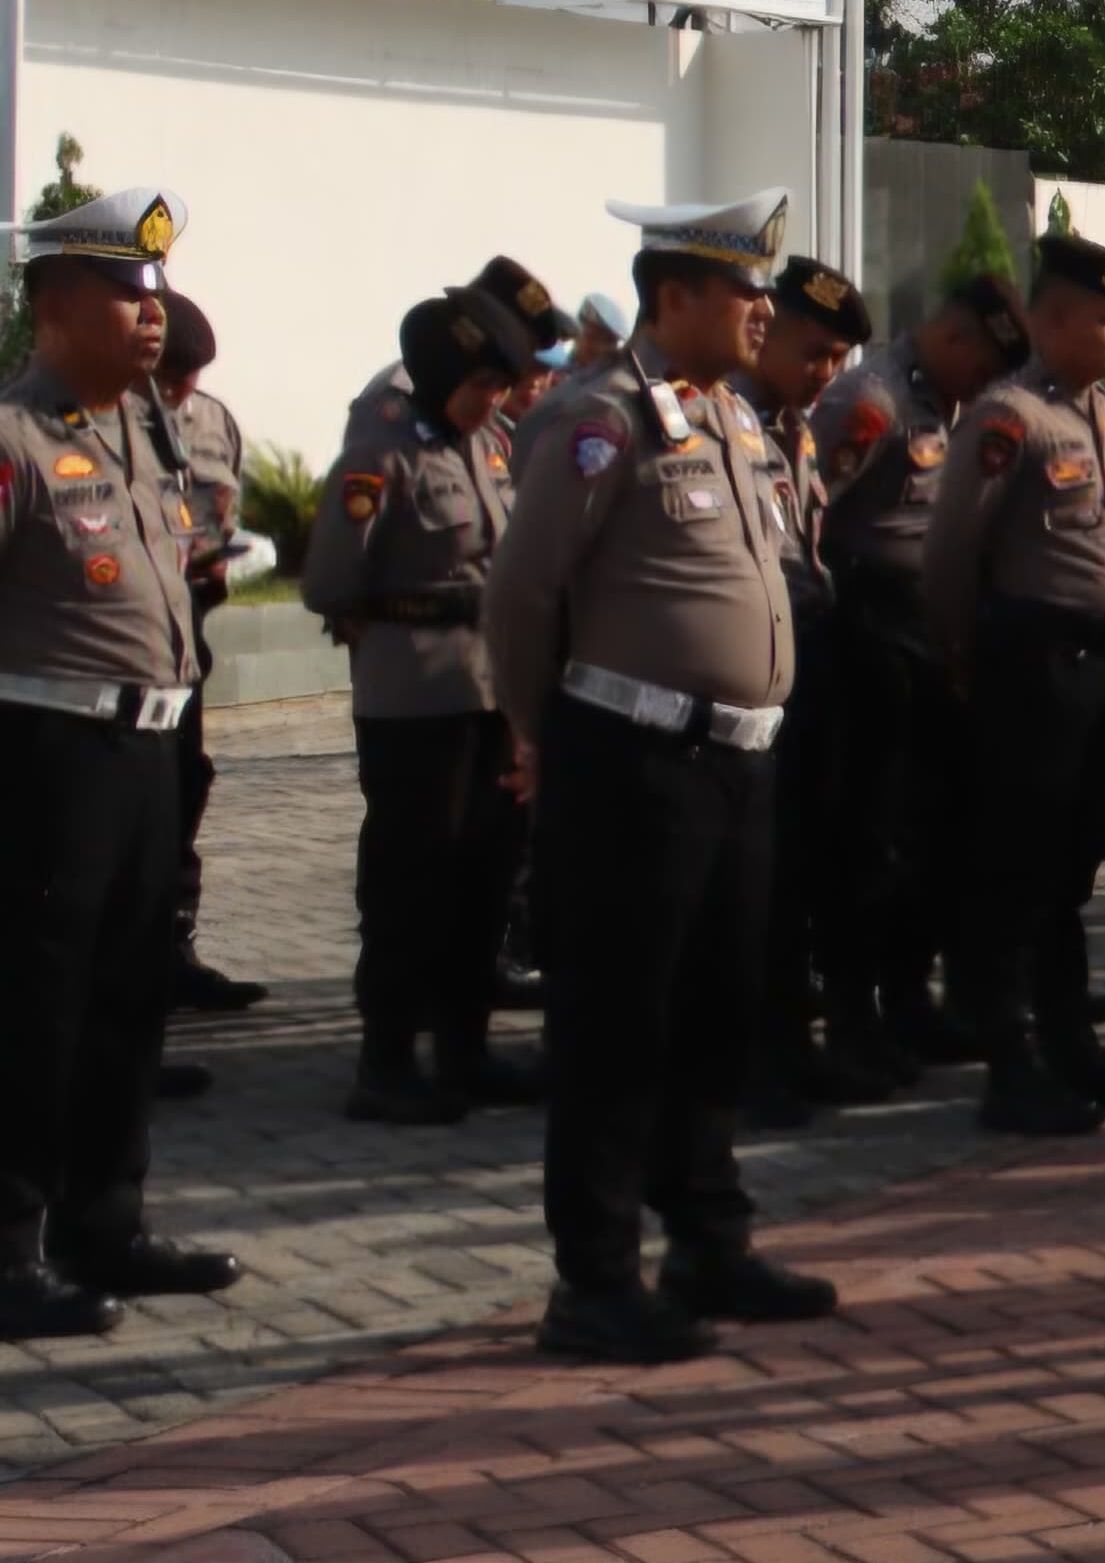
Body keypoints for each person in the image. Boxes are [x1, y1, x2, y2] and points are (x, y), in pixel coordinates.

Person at [482, 188, 828, 1364]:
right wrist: (536, 729)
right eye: (743, 290)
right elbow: (524, 592)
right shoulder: (599, 417)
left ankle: (706, 1239)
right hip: (633, 760)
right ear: (674, 294)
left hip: (737, 761)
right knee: (618, 1024)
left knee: (717, 1013)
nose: (763, 310)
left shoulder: (729, 418)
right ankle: (594, 1277)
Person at [0, 188, 243, 1338]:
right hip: (50, 755)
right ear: (54, 304)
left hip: (148, 746)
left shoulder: (143, 429)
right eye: (124, 294)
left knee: (130, 996)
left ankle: (107, 1219)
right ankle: (10, 1247)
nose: (152, 316)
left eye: (156, 294)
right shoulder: (14, 438)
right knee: (35, 1006)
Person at [924, 231, 1105, 1136]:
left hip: (1097, 667)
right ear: (1053, 319)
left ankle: (1071, 1046)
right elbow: (952, 554)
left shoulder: (1102, 416)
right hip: (1031, 666)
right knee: (1015, 873)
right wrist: (963, 663)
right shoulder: (1009, 417)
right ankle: (1013, 1061)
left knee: (1071, 865)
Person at [306, 284, 539, 1126]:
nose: (493, 400)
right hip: (413, 696)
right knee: (410, 882)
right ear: (442, 377)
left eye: (500, 386)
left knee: (482, 878)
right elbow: (331, 580)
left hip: (488, 691)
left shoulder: (490, 446)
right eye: (480, 385)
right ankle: (388, 1062)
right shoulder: (381, 454)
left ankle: (466, 1051)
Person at [807, 273, 1028, 1072]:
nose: (986, 384)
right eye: (984, 366)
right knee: (866, 833)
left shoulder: (945, 403)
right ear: (955, 337)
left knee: (924, 834)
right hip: (867, 629)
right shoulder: (874, 401)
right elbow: (806, 515)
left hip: (921, 631)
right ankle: (850, 1018)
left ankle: (907, 1000)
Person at [736, 258, 884, 1120]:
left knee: (801, 870)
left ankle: (790, 1045)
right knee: (758, 881)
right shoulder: (719, 422)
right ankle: (754, 1058)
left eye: (837, 357)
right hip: (753, 680)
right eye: (813, 350)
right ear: (766, 329)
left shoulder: (790, 428)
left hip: (810, 671)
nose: (825, 371)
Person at [144, 290, 261, 1027]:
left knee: (185, 786)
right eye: (171, 380)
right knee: (134, 811)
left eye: (191, 380)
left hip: (190, 634)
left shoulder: (214, 420)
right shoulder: (104, 421)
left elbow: (223, 508)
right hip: (120, 647)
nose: (182, 394)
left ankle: (173, 953)